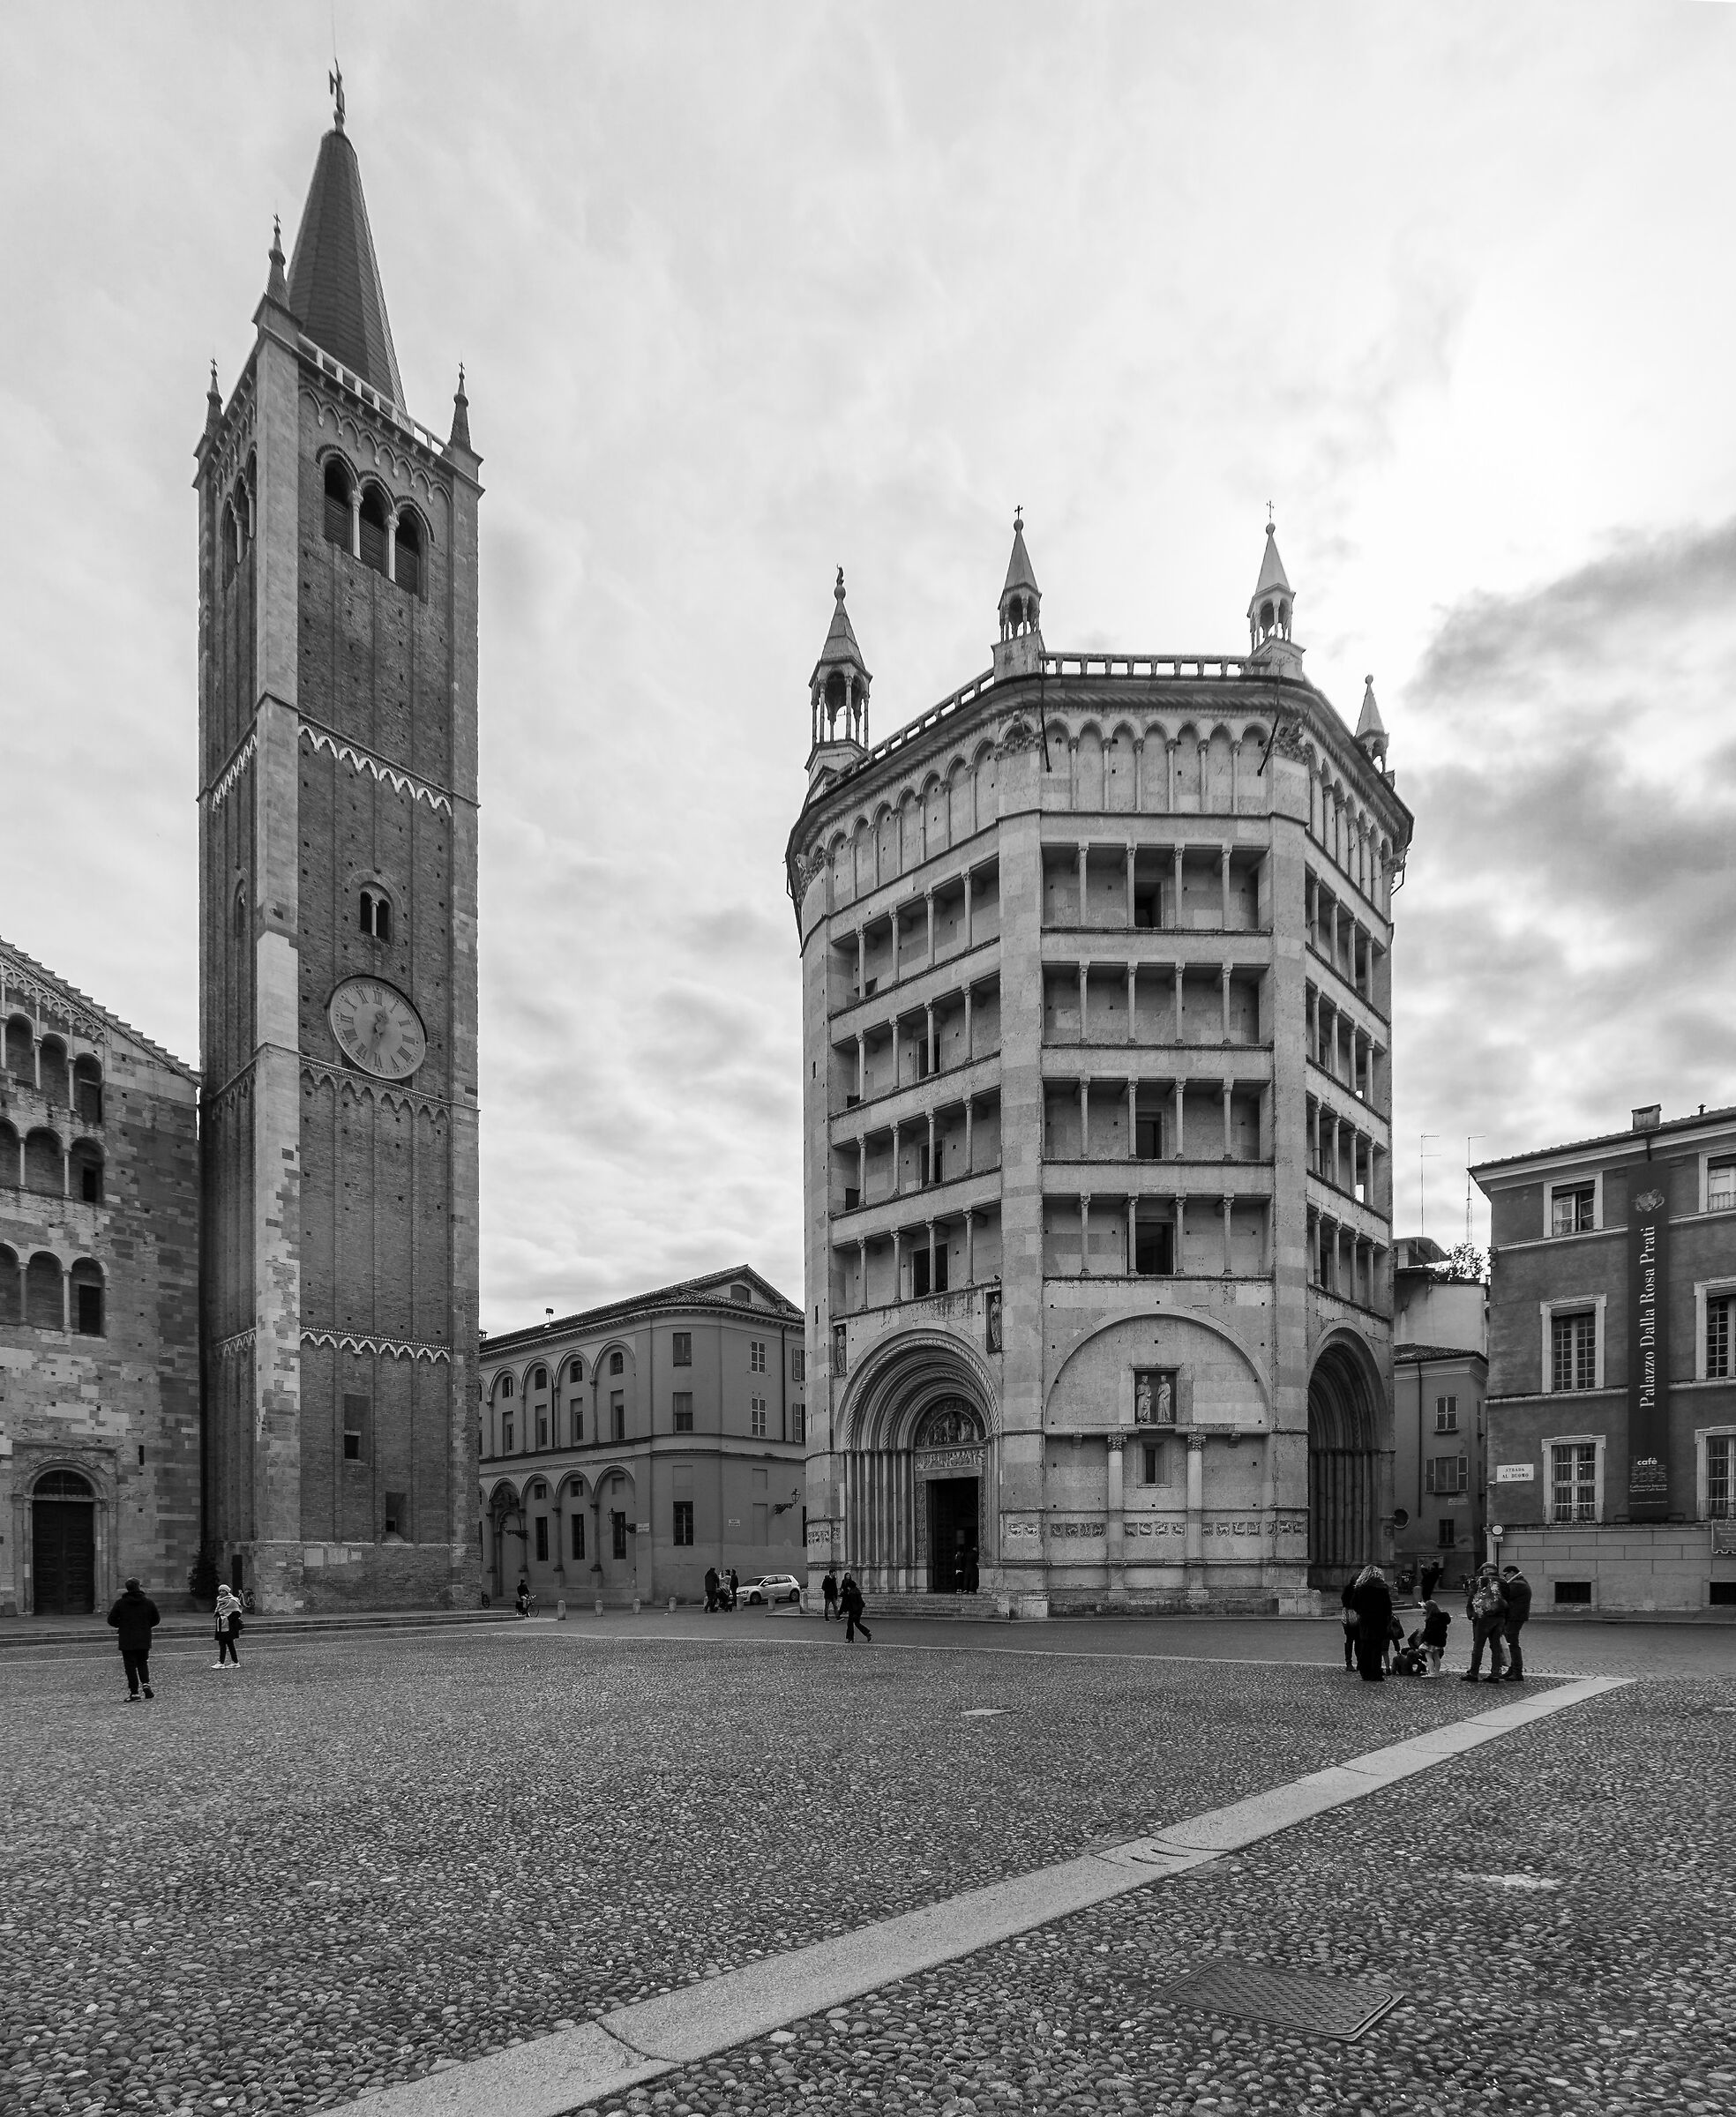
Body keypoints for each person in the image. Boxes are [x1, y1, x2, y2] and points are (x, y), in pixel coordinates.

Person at [107, 1577, 161, 1702]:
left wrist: (122, 1625)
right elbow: (156, 1619)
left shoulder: (120, 1603)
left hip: (127, 1637)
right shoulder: (148, 1602)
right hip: (143, 1636)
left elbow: (111, 1620)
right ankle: (146, 1684)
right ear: (139, 1586)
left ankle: (134, 1693)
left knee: (130, 1665)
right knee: (142, 1662)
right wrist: (146, 1626)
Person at [1463, 1565, 1508, 1683]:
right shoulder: (1503, 1582)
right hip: (1499, 1618)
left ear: (1484, 1570)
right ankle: (1495, 1674)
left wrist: (1471, 1614)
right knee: (1496, 1647)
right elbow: (1508, 1599)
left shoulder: (1480, 1581)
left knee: (1478, 1646)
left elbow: (1472, 1598)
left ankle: (1473, 1673)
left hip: (1483, 1618)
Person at [1348, 1564, 1393, 1682]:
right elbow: (1388, 1606)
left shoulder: (1360, 1588)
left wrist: (1362, 1612)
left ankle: (1365, 1672)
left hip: (1365, 1620)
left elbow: (1354, 1604)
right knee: (1376, 1648)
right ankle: (1375, 1673)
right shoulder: (1382, 1588)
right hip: (1379, 1621)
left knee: (1365, 1646)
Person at [1500, 1563, 1533, 1681]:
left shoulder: (1517, 1584)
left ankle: (1517, 1672)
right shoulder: (1520, 1582)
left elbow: (1503, 1595)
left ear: (1512, 1573)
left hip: (1515, 1617)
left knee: (1512, 1644)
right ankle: (1512, 1670)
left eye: (1505, 1575)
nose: (1505, 1577)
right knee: (1510, 1644)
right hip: (1515, 1617)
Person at [1412, 1597, 1451, 1677]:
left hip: (1431, 1641)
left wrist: (1425, 1640)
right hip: (1440, 1640)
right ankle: (1436, 1673)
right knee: (1436, 1656)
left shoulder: (1431, 1619)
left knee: (1428, 1656)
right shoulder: (1442, 1617)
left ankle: (1431, 1672)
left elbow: (1429, 1632)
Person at [213, 1582, 244, 1669]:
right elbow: (218, 1611)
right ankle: (234, 1662)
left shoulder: (232, 1601)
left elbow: (237, 1613)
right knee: (225, 1643)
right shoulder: (219, 1600)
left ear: (227, 1591)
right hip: (221, 1624)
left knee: (225, 1643)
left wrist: (227, 1618)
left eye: (223, 1591)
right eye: (220, 1591)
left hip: (229, 1626)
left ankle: (221, 1662)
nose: (222, 1592)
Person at [839, 1571, 872, 1643]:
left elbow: (852, 1604)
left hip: (854, 1610)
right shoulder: (856, 1591)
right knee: (857, 1623)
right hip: (858, 1610)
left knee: (850, 1624)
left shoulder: (852, 1594)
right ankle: (867, 1633)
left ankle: (849, 1638)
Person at [1339, 1573, 1360, 1672]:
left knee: (1350, 1640)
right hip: (1355, 1617)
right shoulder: (1357, 1590)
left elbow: (1344, 1601)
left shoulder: (1348, 1589)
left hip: (1347, 1617)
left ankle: (1349, 1662)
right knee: (1357, 1641)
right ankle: (1356, 1662)